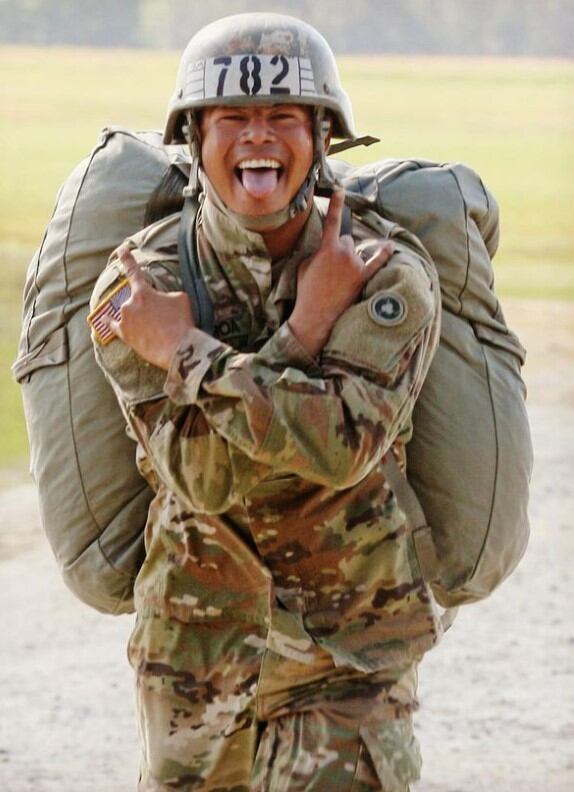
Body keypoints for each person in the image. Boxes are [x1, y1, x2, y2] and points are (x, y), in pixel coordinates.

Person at [90, 13, 443, 791]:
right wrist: (306, 337)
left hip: (349, 655)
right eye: (233, 118)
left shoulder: (386, 273)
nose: (259, 137)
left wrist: (186, 350)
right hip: (194, 655)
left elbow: (344, 449)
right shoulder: (137, 286)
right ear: (195, 138)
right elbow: (205, 479)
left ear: (321, 138)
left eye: (284, 116)